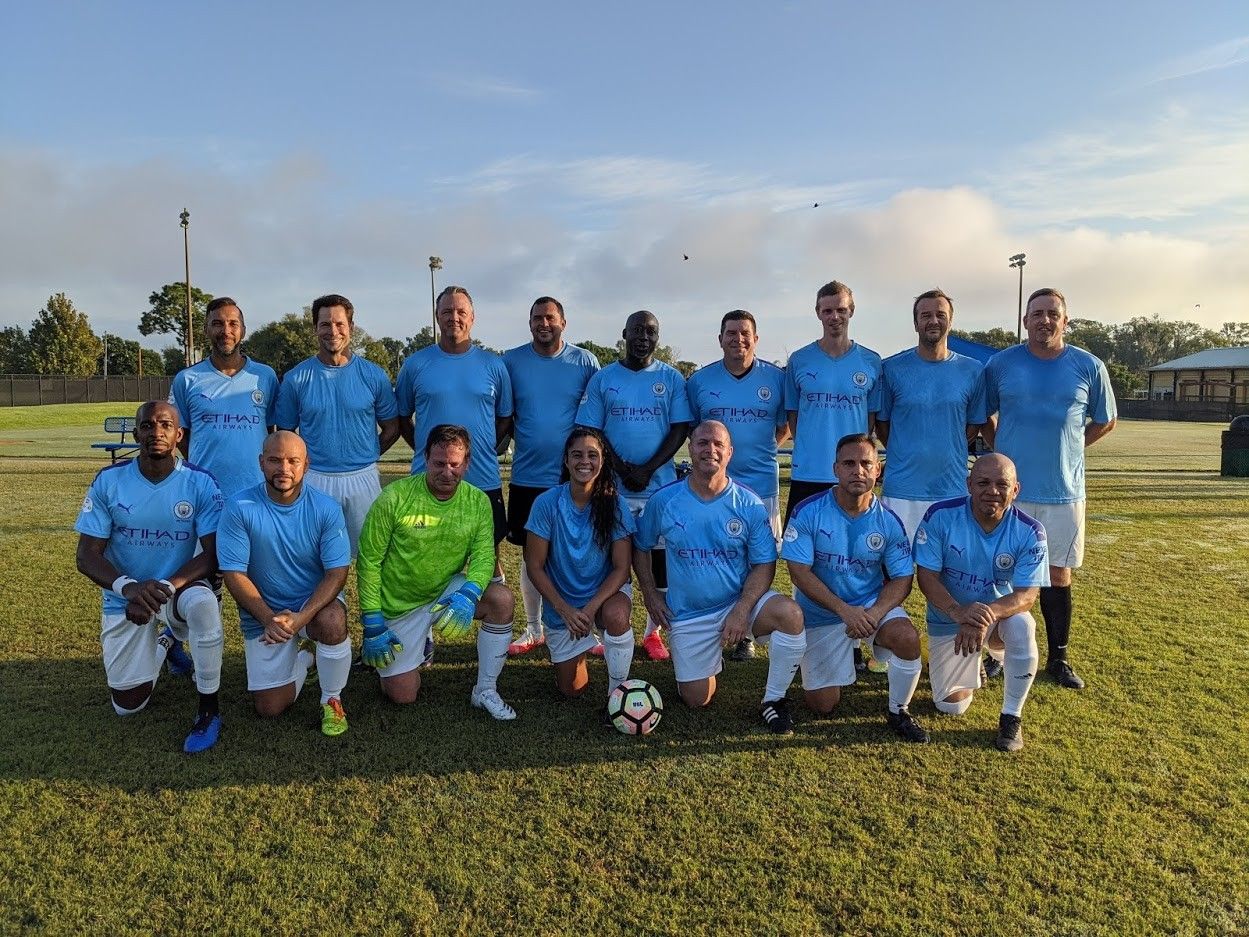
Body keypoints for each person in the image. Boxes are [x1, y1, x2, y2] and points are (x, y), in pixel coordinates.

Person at [634, 421, 807, 734]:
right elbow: (641, 547)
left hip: (738, 602)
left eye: (717, 444)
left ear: (730, 453)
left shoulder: (749, 504)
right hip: (689, 613)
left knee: (790, 614)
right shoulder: (664, 500)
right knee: (696, 700)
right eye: (702, 443)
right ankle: (709, 659)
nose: (709, 450)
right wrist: (650, 593)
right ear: (691, 447)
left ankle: (774, 700)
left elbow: (764, 564)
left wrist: (741, 610)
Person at [983, 288, 1116, 689]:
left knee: (1058, 575)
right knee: (1000, 573)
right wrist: (1001, 454)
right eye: (1037, 314)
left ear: (1065, 321)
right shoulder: (1000, 364)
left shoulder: (1088, 366)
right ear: (1025, 321)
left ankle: (1058, 659)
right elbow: (983, 415)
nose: (1045, 320)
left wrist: (1071, 448)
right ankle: (996, 654)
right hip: (1010, 494)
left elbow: (1105, 421)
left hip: (1063, 492)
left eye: (1052, 314)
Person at [73, 401, 225, 753]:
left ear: (178, 435)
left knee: (204, 606)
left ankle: (208, 711)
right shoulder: (110, 481)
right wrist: (129, 588)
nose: (155, 432)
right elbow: (86, 556)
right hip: (126, 596)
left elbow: (213, 555)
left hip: (179, 588)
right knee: (128, 705)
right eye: (147, 425)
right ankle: (166, 643)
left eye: (165, 425)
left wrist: (166, 587)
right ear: (136, 432)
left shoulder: (200, 483)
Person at [355, 424, 518, 720]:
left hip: (445, 593)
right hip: (398, 604)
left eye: (455, 464)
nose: (447, 472)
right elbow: (369, 562)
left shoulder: (478, 502)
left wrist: (469, 593)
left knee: (501, 599)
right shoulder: (393, 498)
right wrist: (373, 620)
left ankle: (485, 689)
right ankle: (409, 649)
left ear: (467, 463)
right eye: (439, 463)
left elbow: (483, 556)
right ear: (425, 458)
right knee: (403, 695)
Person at [781, 434, 929, 742]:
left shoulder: (889, 521)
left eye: (866, 463)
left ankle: (898, 710)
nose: (857, 471)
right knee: (823, 705)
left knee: (906, 638)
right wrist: (844, 611)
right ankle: (836, 656)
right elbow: (798, 572)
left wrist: (874, 612)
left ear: (878, 470)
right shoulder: (808, 510)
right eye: (849, 463)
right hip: (823, 613)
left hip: (869, 607)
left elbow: (903, 578)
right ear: (835, 469)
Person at [216, 431, 353, 737]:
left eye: (293, 461)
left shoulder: (326, 508)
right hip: (265, 614)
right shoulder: (239, 507)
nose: (284, 468)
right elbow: (234, 573)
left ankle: (331, 698)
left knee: (332, 620)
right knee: (270, 708)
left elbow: (337, 573)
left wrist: (301, 618)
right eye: (275, 460)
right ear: (261, 462)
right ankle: (306, 657)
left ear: (306, 464)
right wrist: (268, 619)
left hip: (310, 607)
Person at [576, 310, 692, 661]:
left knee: (659, 562)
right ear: (624, 334)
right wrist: (622, 468)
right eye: (638, 330)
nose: (644, 336)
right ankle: (607, 625)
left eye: (651, 331)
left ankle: (652, 633)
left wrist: (648, 468)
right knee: (611, 560)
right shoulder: (603, 378)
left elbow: (679, 428)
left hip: (659, 489)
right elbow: (592, 430)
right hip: (613, 488)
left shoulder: (671, 378)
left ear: (658, 338)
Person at [914, 454, 1048, 752]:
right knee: (951, 707)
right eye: (983, 482)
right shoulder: (940, 515)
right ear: (969, 484)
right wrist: (958, 612)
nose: (992, 491)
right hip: (949, 618)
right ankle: (976, 664)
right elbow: (926, 577)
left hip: (997, 619)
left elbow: (1027, 595)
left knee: (1022, 624)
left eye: (1002, 484)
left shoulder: (1030, 531)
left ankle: (1011, 716)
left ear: (1016, 490)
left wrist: (984, 615)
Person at [686, 310, 788, 662]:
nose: (738, 339)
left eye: (745, 333)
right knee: (720, 557)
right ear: (720, 339)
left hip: (761, 487)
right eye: (731, 333)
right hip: (714, 489)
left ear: (756, 339)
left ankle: (746, 629)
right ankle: (716, 622)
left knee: (759, 559)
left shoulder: (776, 379)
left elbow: (782, 428)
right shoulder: (700, 381)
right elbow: (695, 432)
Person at [501, 296, 600, 656]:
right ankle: (533, 628)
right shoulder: (510, 361)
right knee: (533, 556)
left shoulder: (585, 361)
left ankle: (588, 626)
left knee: (584, 552)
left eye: (551, 317)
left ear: (564, 322)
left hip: (575, 478)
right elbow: (504, 414)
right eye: (537, 318)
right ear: (529, 322)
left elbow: (595, 416)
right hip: (528, 475)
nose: (544, 323)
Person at [274, 294, 401, 557]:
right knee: (316, 559)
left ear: (351, 328)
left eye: (340, 324)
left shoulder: (373, 375)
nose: (333, 331)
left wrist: (368, 454)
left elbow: (392, 428)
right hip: (316, 478)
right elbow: (285, 435)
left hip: (363, 477)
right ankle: (330, 600)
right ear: (315, 329)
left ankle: (370, 601)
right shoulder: (296, 378)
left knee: (372, 557)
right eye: (325, 324)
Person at [396, 286, 513, 559]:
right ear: (437, 316)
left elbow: (505, 417)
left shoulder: (493, 365)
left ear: (472, 317)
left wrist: (480, 450)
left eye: (461, 311)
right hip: (427, 481)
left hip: (482, 479)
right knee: (425, 562)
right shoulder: (416, 364)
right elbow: (402, 416)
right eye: (447, 311)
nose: (454, 317)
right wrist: (426, 451)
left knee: (487, 563)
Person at [524, 428, 636, 710]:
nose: (584, 461)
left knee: (617, 613)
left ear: (602, 460)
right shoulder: (546, 503)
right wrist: (565, 610)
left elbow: (622, 569)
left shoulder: (616, 505)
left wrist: (590, 608)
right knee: (571, 690)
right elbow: (534, 566)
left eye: (592, 455)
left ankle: (617, 693)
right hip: (563, 606)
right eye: (577, 455)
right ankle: (582, 647)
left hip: (602, 598)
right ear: (566, 461)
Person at [876, 289, 987, 540]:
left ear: (951, 320)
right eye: (926, 315)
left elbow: (973, 425)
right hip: (901, 490)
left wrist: (948, 446)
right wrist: (906, 451)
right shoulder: (892, 368)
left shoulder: (973, 370)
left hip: (951, 489)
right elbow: (882, 424)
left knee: (947, 572)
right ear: (916, 323)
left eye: (940, 314)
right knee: (898, 572)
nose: (933, 321)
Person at [783, 280, 883, 530]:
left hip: (853, 475)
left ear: (852, 310)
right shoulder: (799, 359)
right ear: (818, 313)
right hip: (809, 471)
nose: (834, 316)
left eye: (841, 309)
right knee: (801, 550)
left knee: (855, 548)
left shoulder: (871, 361)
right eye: (827, 311)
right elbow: (793, 416)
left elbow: (870, 419)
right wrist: (810, 446)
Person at [170, 296, 279, 497]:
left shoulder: (265, 376)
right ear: (206, 329)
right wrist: (200, 466)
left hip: (256, 490)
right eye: (217, 323)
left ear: (243, 330)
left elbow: (270, 431)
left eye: (233, 324)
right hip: (205, 492)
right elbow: (180, 436)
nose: (226, 331)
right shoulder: (186, 379)